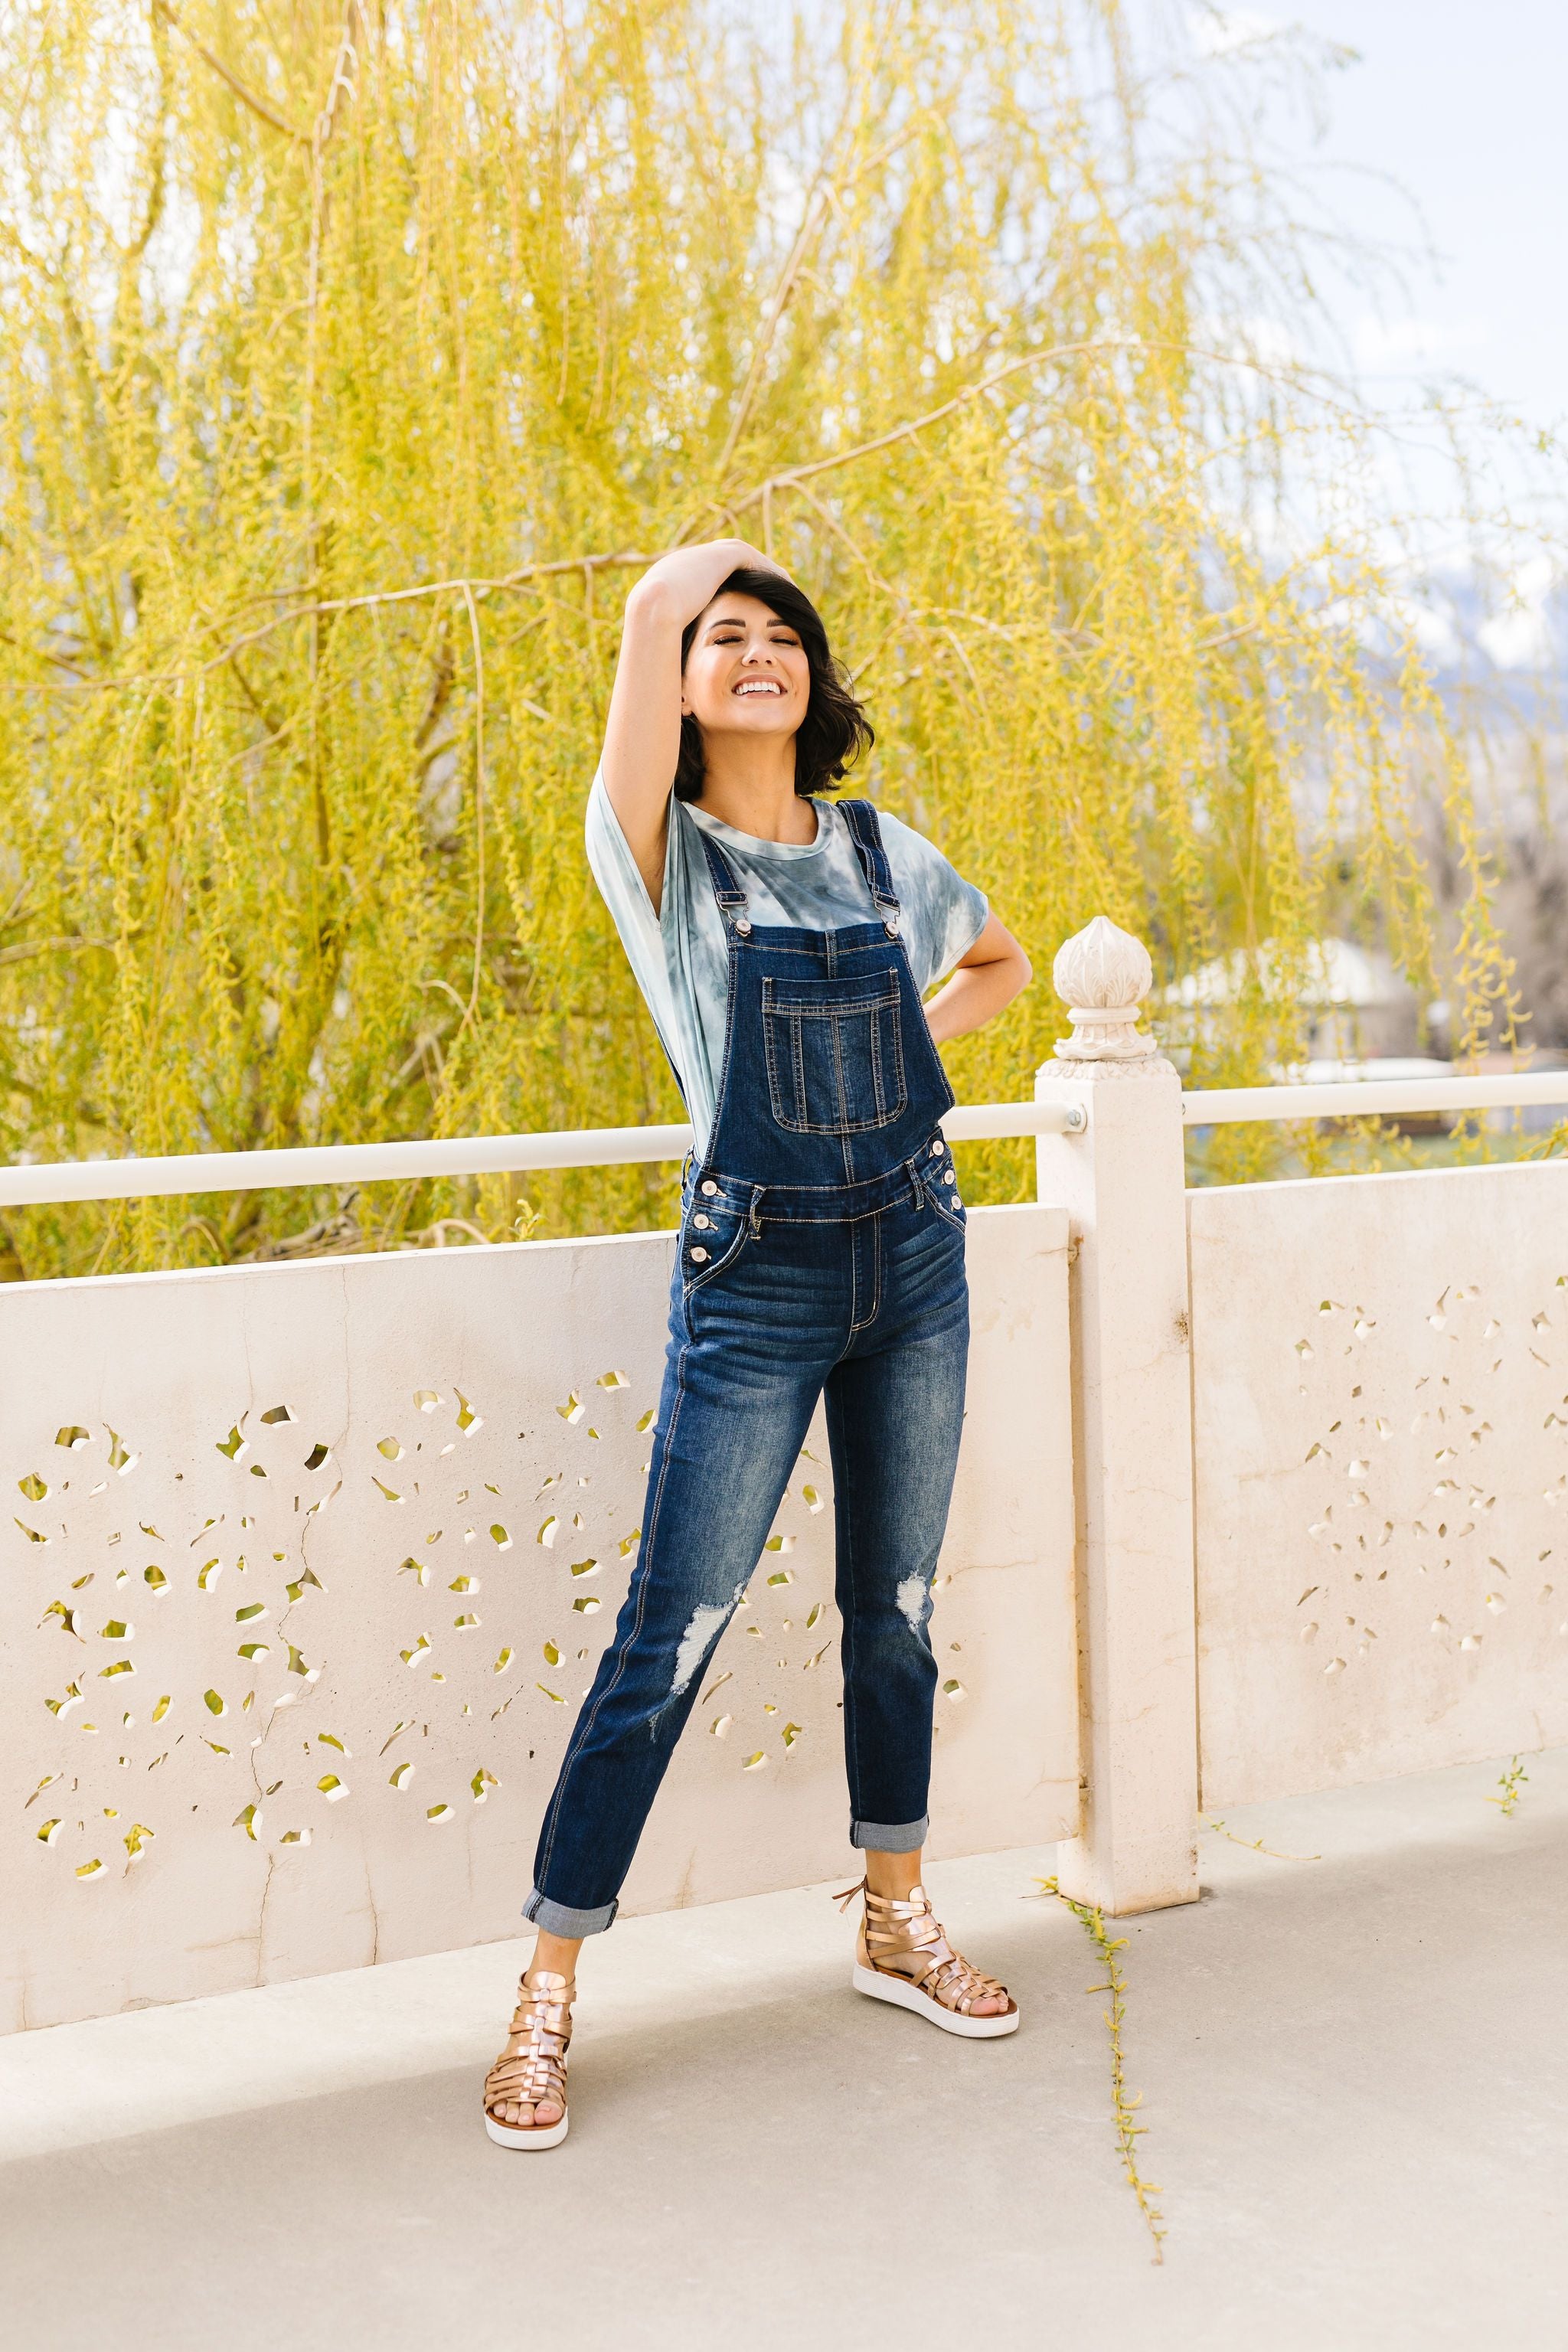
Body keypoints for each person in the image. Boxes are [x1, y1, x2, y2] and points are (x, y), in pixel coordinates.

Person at [482, 540, 1033, 2148]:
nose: (754, 648)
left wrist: (902, 1055)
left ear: (814, 679)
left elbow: (995, 964)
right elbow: (654, 609)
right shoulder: (657, 855)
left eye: (781, 632)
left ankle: (893, 1913)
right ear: (680, 683)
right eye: (726, 637)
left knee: (898, 1610)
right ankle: (545, 1992)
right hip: (757, 1274)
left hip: (914, 1256)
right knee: (670, 1635)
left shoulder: (879, 851)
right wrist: (716, 560)